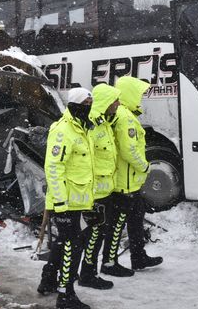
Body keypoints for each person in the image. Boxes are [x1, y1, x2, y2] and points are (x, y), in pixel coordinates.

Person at [37, 87, 96, 309]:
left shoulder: (83, 128)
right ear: (76, 105)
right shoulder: (64, 131)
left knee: (64, 244)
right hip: (65, 202)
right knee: (73, 246)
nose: (90, 106)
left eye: (92, 102)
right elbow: (53, 167)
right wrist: (60, 203)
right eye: (87, 103)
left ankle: (48, 280)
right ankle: (66, 294)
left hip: (79, 200)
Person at [99, 75, 162, 277]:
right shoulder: (124, 116)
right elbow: (128, 150)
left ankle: (138, 256)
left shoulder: (125, 114)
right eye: (140, 94)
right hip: (123, 184)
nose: (142, 97)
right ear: (130, 93)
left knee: (136, 219)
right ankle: (109, 263)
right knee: (117, 224)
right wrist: (144, 166)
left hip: (130, 182)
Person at [77, 84, 122, 290]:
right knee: (93, 235)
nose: (118, 104)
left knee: (98, 234)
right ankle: (87, 274)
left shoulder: (104, 123)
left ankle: (89, 272)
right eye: (115, 100)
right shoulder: (92, 126)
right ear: (105, 102)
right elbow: (87, 161)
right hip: (95, 194)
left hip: (105, 191)